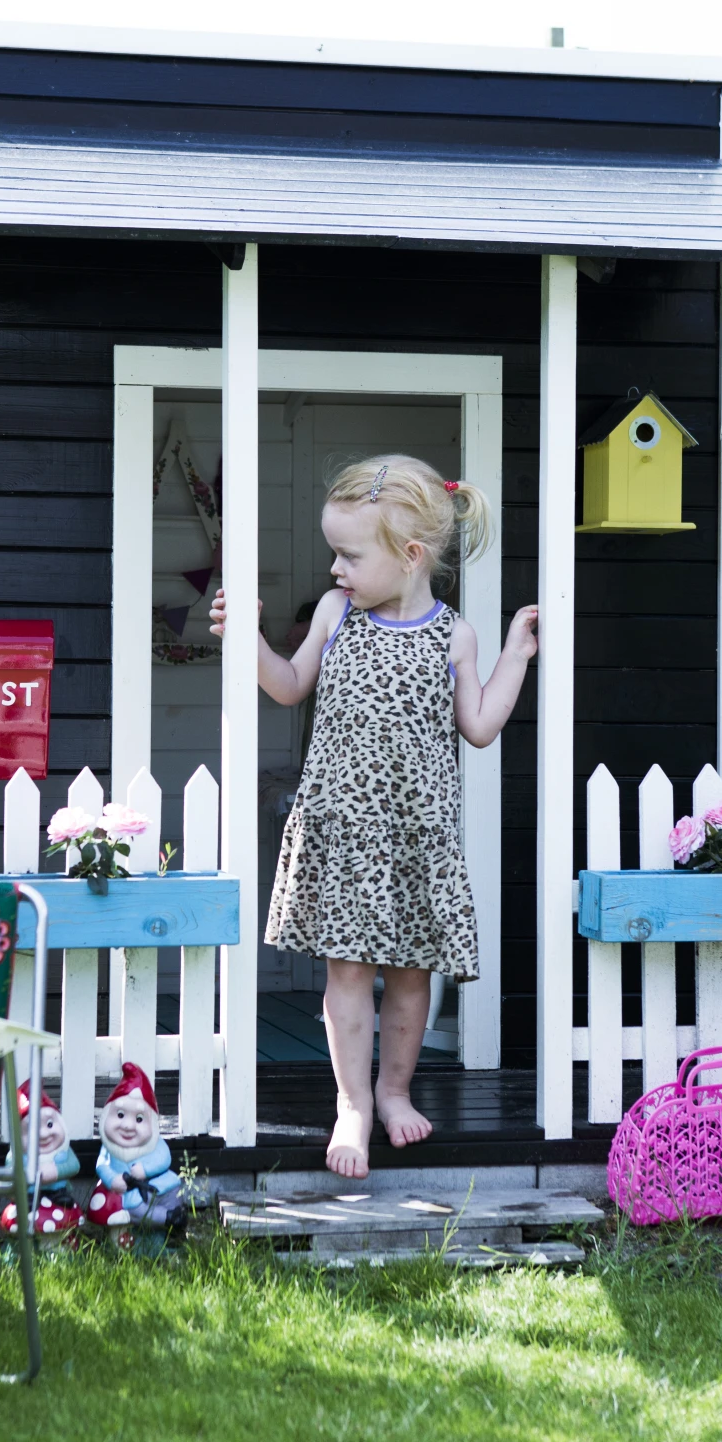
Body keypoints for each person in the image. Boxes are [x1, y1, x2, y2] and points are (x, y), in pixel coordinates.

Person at [209, 454, 537, 1179]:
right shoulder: (336, 615)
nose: (335, 569)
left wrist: (515, 655)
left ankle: (394, 1091)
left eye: (350, 555)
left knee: (412, 977)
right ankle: (351, 1103)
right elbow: (290, 686)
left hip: (416, 835)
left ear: (410, 555)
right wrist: (249, 642)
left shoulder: (455, 636)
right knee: (348, 974)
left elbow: (479, 726)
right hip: (346, 828)